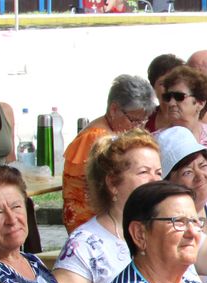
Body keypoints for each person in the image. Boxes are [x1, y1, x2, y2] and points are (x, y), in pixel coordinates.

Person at [54, 130, 164, 283]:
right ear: (113, 184)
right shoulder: (85, 244)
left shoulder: (169, 226)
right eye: (144, 172)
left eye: (158, 173)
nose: (155, 181)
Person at [62, 75, 158, 233]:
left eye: (144, 121)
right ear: (114, 110)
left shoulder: (113, 132)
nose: (139, 127)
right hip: (93, 225)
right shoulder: (96, 138)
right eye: (134, 120)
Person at [145, 53, 186, 133]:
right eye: (163, 83)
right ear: (153, 87)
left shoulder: (198, 115)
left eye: (174, 83)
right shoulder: (144, 119)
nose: (169, 89)